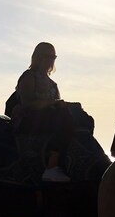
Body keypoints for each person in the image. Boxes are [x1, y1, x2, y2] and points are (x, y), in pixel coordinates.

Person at [11, 42, 72, 182]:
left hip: (48, 117)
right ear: (38, 57)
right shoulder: (28, 77)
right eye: (47, 56)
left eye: (53, 56)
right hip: (29, 118)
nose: (51, 60)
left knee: (79, 115)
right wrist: (52, 104)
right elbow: (27, 103)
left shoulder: (52, 84)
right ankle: (52, 165)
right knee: (63, 116)